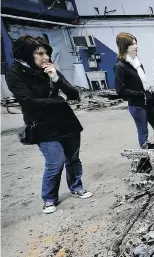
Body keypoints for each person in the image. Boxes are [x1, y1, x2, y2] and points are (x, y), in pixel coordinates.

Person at [6, 35, 93, 214]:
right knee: (55, 162)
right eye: (40, 54)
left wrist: (56, 79)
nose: (46, 57)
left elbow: (74, 94)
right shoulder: (14, 73)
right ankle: (49, 198)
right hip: (41, 125)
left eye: (47, 53)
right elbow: (28, 102)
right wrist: (59, 101)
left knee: (73, 159)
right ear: (26, 55)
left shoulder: (49, 69)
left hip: (66, 122)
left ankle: (76, 187)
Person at [114, 32, 154, 147]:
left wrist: (149, 90)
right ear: (124, 47)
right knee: (144, 134)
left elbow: (141, 82)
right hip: (137, 106)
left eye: (136, 43)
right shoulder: (120, 67)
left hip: (147, 103)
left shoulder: (137, 63)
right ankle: (147, 160)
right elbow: (121, 91)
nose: (136, 46)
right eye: (133, 44)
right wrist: (141, 94)